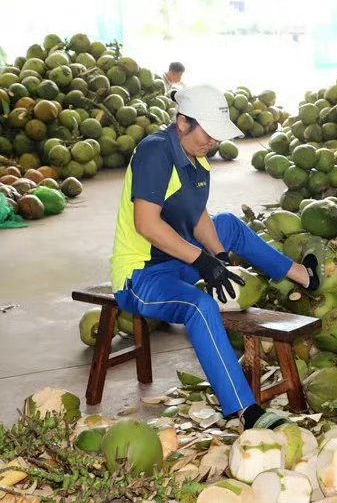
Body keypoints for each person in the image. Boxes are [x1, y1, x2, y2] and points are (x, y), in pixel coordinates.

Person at [110, 85, 319, 429]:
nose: (213, 142)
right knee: (199, 308)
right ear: (182, 122)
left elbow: (198, 216)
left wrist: (220, 256)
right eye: (208, 133)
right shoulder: (155, 153)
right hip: (141, 275)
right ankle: (245, 411)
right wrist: (202, 261)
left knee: (228, 226)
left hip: (176, 257)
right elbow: (146, 224)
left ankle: (303, 276)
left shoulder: (197, 158)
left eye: (218, 136)